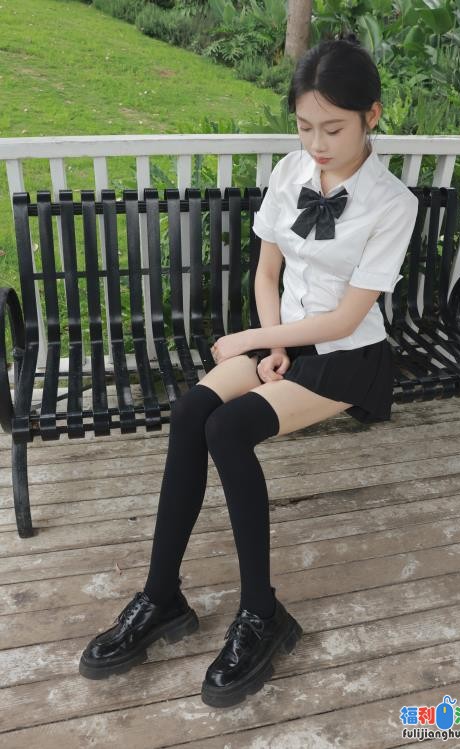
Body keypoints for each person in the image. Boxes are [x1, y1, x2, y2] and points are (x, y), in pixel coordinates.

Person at [78, 31, 419, 708]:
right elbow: (268, 272)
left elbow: (346, 320)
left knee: (228, 429)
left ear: (371, 116)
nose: (317, 143)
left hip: (348, 357)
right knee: (191, 413)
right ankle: (162, 596)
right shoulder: (292, 172)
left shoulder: (392, 204)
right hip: (286, 339)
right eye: (304, 126)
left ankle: (262, 614)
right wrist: (269, 348)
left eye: (333, 128)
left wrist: (255, 340)